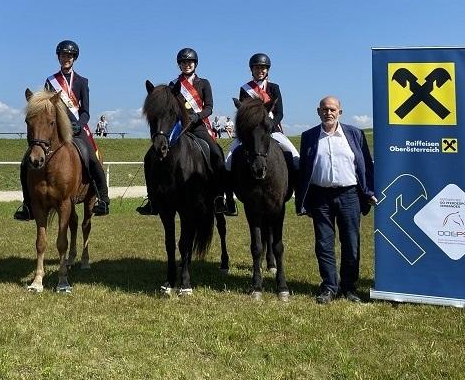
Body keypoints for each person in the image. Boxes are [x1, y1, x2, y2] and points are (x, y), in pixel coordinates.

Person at [14, 40, 110, 220]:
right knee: (26, 161)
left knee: (92, 158)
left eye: (70, 56)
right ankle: (27, 204)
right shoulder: (50, 81)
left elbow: (86, 111)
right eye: (63, 55)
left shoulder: (82, 82)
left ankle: (103, 199)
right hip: (56, 130)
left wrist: (79, 124)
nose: (66, 58)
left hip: (77, 129)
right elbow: (46, 108)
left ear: (74, 59)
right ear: (58, 57)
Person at [296, 96, 375, 304]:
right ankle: (329, 287)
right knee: (323, 244)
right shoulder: (309, 136)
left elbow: (365, 165)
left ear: (340, 111)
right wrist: (304, 200)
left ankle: (349, 287)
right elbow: (304, 170)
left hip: (349, 195)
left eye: (332, 109)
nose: (328, 112)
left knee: (351, 243)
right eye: (324, 109)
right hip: (320, 196)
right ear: (318, 111)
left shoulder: (355, 134)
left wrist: (369, 192)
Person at [137, 47, 226, 215]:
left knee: (216, 153)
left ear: (195, 64)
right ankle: (152, 199)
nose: (187, 65)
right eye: (183, 62)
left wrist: (197, 116)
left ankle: (219, 198)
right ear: (179, 65)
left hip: (198, 127)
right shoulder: (172, 85)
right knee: (150, 156)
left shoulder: (204, 83)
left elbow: (209, 108)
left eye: (189, 62)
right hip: (178, 129)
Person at [223, 53, 300, 215]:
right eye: (257, 67)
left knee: (294, 155)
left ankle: (300, 197)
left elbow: (280, 113)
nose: (260, 70)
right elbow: (243, 113)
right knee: (228, 159)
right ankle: (228, 200)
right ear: (252, 69)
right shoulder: (245, 89)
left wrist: (270, 125)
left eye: (263, 67)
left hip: (272, 129)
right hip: (251, 132)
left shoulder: (274, 88)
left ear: (267, 70)